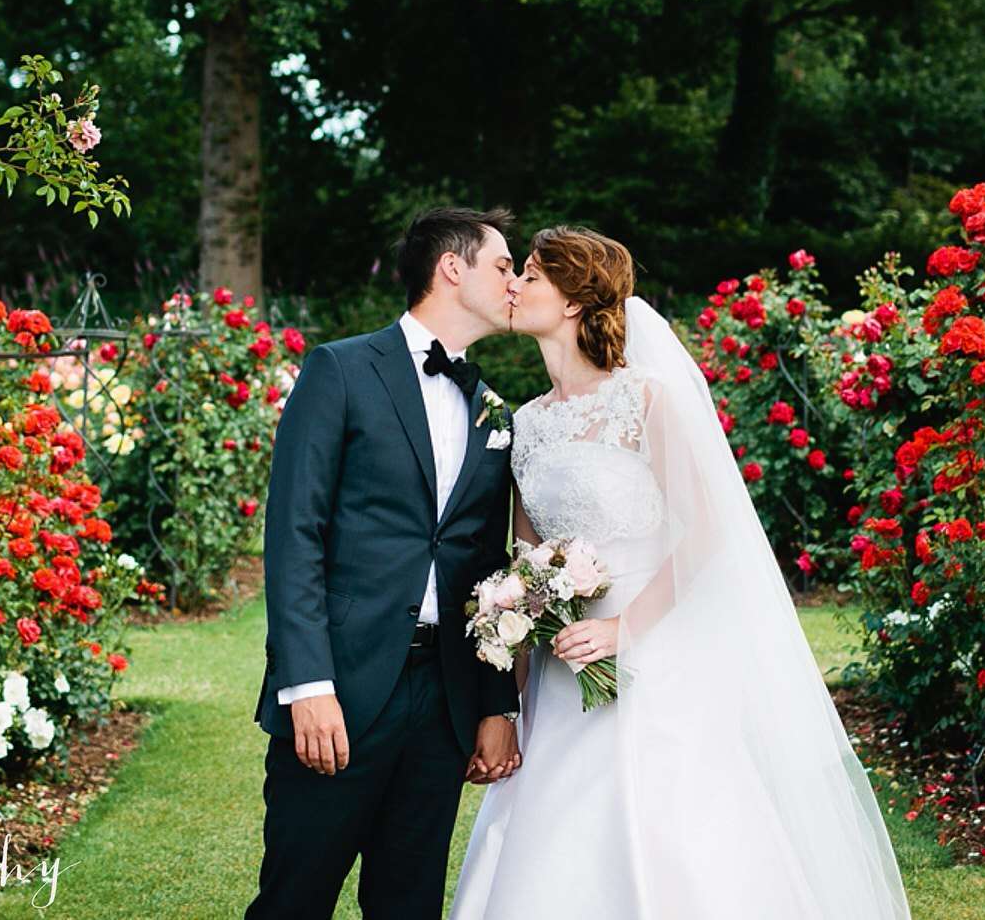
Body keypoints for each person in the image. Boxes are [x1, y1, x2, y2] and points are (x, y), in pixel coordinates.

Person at [448, 226, 913, 919]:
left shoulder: (645, 401)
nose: (513, 286)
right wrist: (510, 705)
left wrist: (622, 633)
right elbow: (526, 563)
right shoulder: (529, 424)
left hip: (652, 655)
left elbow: (707, 533)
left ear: (575, 303)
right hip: (557, 673)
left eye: (533, 278)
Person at [247, 207, 526, 920]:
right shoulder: (339, 369)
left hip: (442, 702)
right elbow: (294, 536)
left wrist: (496, 704)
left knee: (408, 906)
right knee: (294, 900)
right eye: (502, 265)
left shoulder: (495, 410)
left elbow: (491, 570)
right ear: (452, 267)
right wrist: (306, 684)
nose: (515, 281)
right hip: (340, 687)